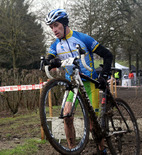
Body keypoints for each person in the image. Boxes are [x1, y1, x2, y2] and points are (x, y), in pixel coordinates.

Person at [44, 9, 113, 154]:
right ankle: (72, 150)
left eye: (56, 25)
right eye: (51, 27)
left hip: (89, 84)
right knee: (67, 116)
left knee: (93, 125)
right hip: (72, 86)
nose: (54, 30)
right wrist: (49, 62)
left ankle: (102, 149)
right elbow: (50, 58)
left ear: (64, 23)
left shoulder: (83, 38)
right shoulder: (55, 44)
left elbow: (107, 55)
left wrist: (104, 75)